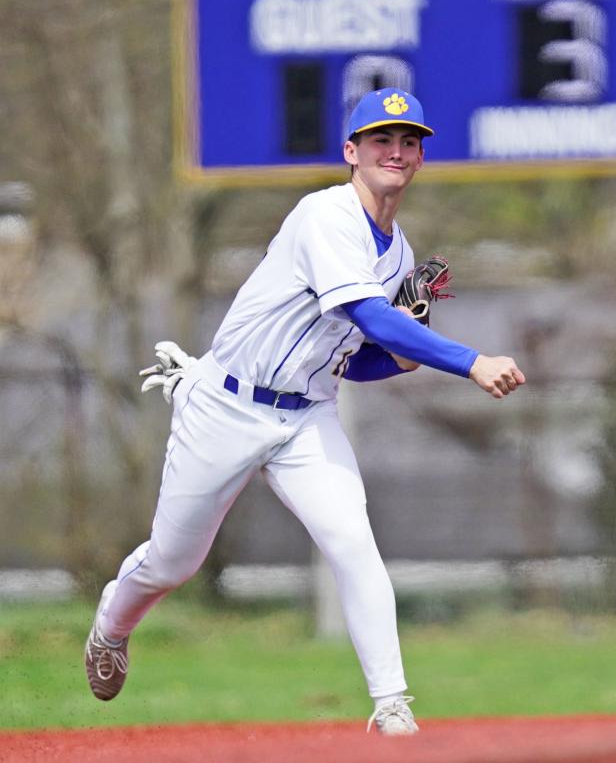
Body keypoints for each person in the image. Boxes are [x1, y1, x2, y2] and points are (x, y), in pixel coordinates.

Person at [83, 88, 526, 736]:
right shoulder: (325, 217)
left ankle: (392, 705)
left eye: (409, 141)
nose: (396, 151)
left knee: (353, 541)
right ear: (352, 152)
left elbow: (357, 357)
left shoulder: (399, 255)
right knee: (173, 564)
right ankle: (110, 627)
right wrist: (467, 360)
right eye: (381, 140)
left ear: (421, 158)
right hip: (227, 406)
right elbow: (372, 316)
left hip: (306, 417)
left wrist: (402, 359)